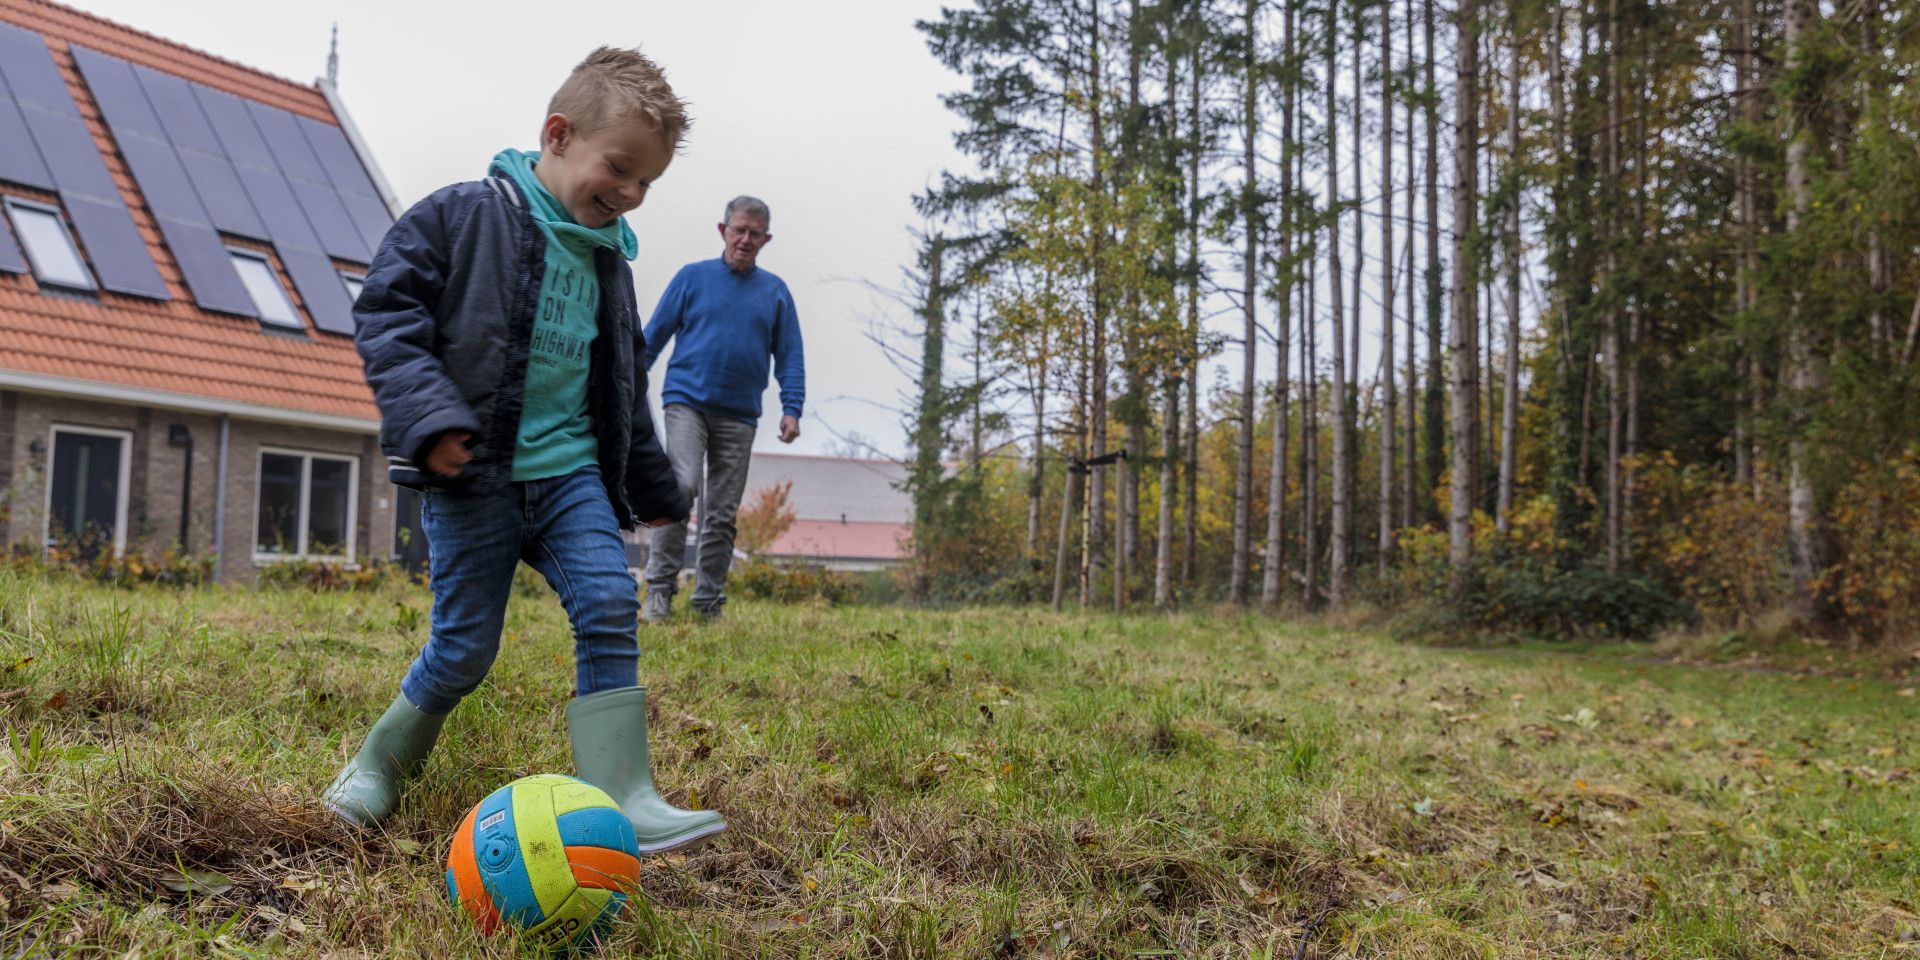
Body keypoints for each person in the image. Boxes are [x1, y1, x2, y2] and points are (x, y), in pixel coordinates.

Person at [324, 48, 726, 854]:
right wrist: (431, 419)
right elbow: (386, 312)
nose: (630, 194)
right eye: (619, 168)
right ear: (558, 134)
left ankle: (624, 795)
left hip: (571, 475)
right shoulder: (464, 215)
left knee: (611, 607)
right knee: (465, 648)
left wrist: (652, 481)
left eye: (647, 183)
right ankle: (377, 764)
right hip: (475, 475)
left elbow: (617, 382)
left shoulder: (609, 259)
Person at [641, 196, 805, 620]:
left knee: (721, 512)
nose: (745, 240)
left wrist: (792, 407)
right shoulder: (692, 278)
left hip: (739, 413)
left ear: (766, 239)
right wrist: (624, 383)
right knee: (680, 488)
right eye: (738, 230)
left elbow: (790, 355)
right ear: (723, 231)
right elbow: (653, 335)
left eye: (754, 233)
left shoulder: (775, 292)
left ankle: (708, 601)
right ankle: (659, 591)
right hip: (686, 402)